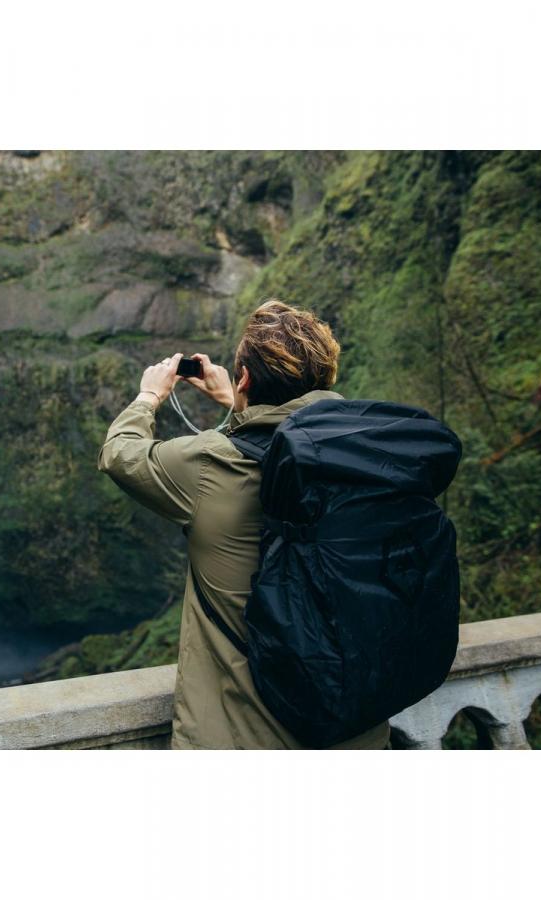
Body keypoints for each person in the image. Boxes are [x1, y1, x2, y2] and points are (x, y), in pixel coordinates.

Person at [98, 299, 390, 749]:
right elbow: (288, 433)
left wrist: (149, 396)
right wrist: (237, 403)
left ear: (246, 378)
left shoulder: (211, 461)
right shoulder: (369, 453)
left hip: (246, 735)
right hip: (357, 730)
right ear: (326, 376)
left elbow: (120, 454)